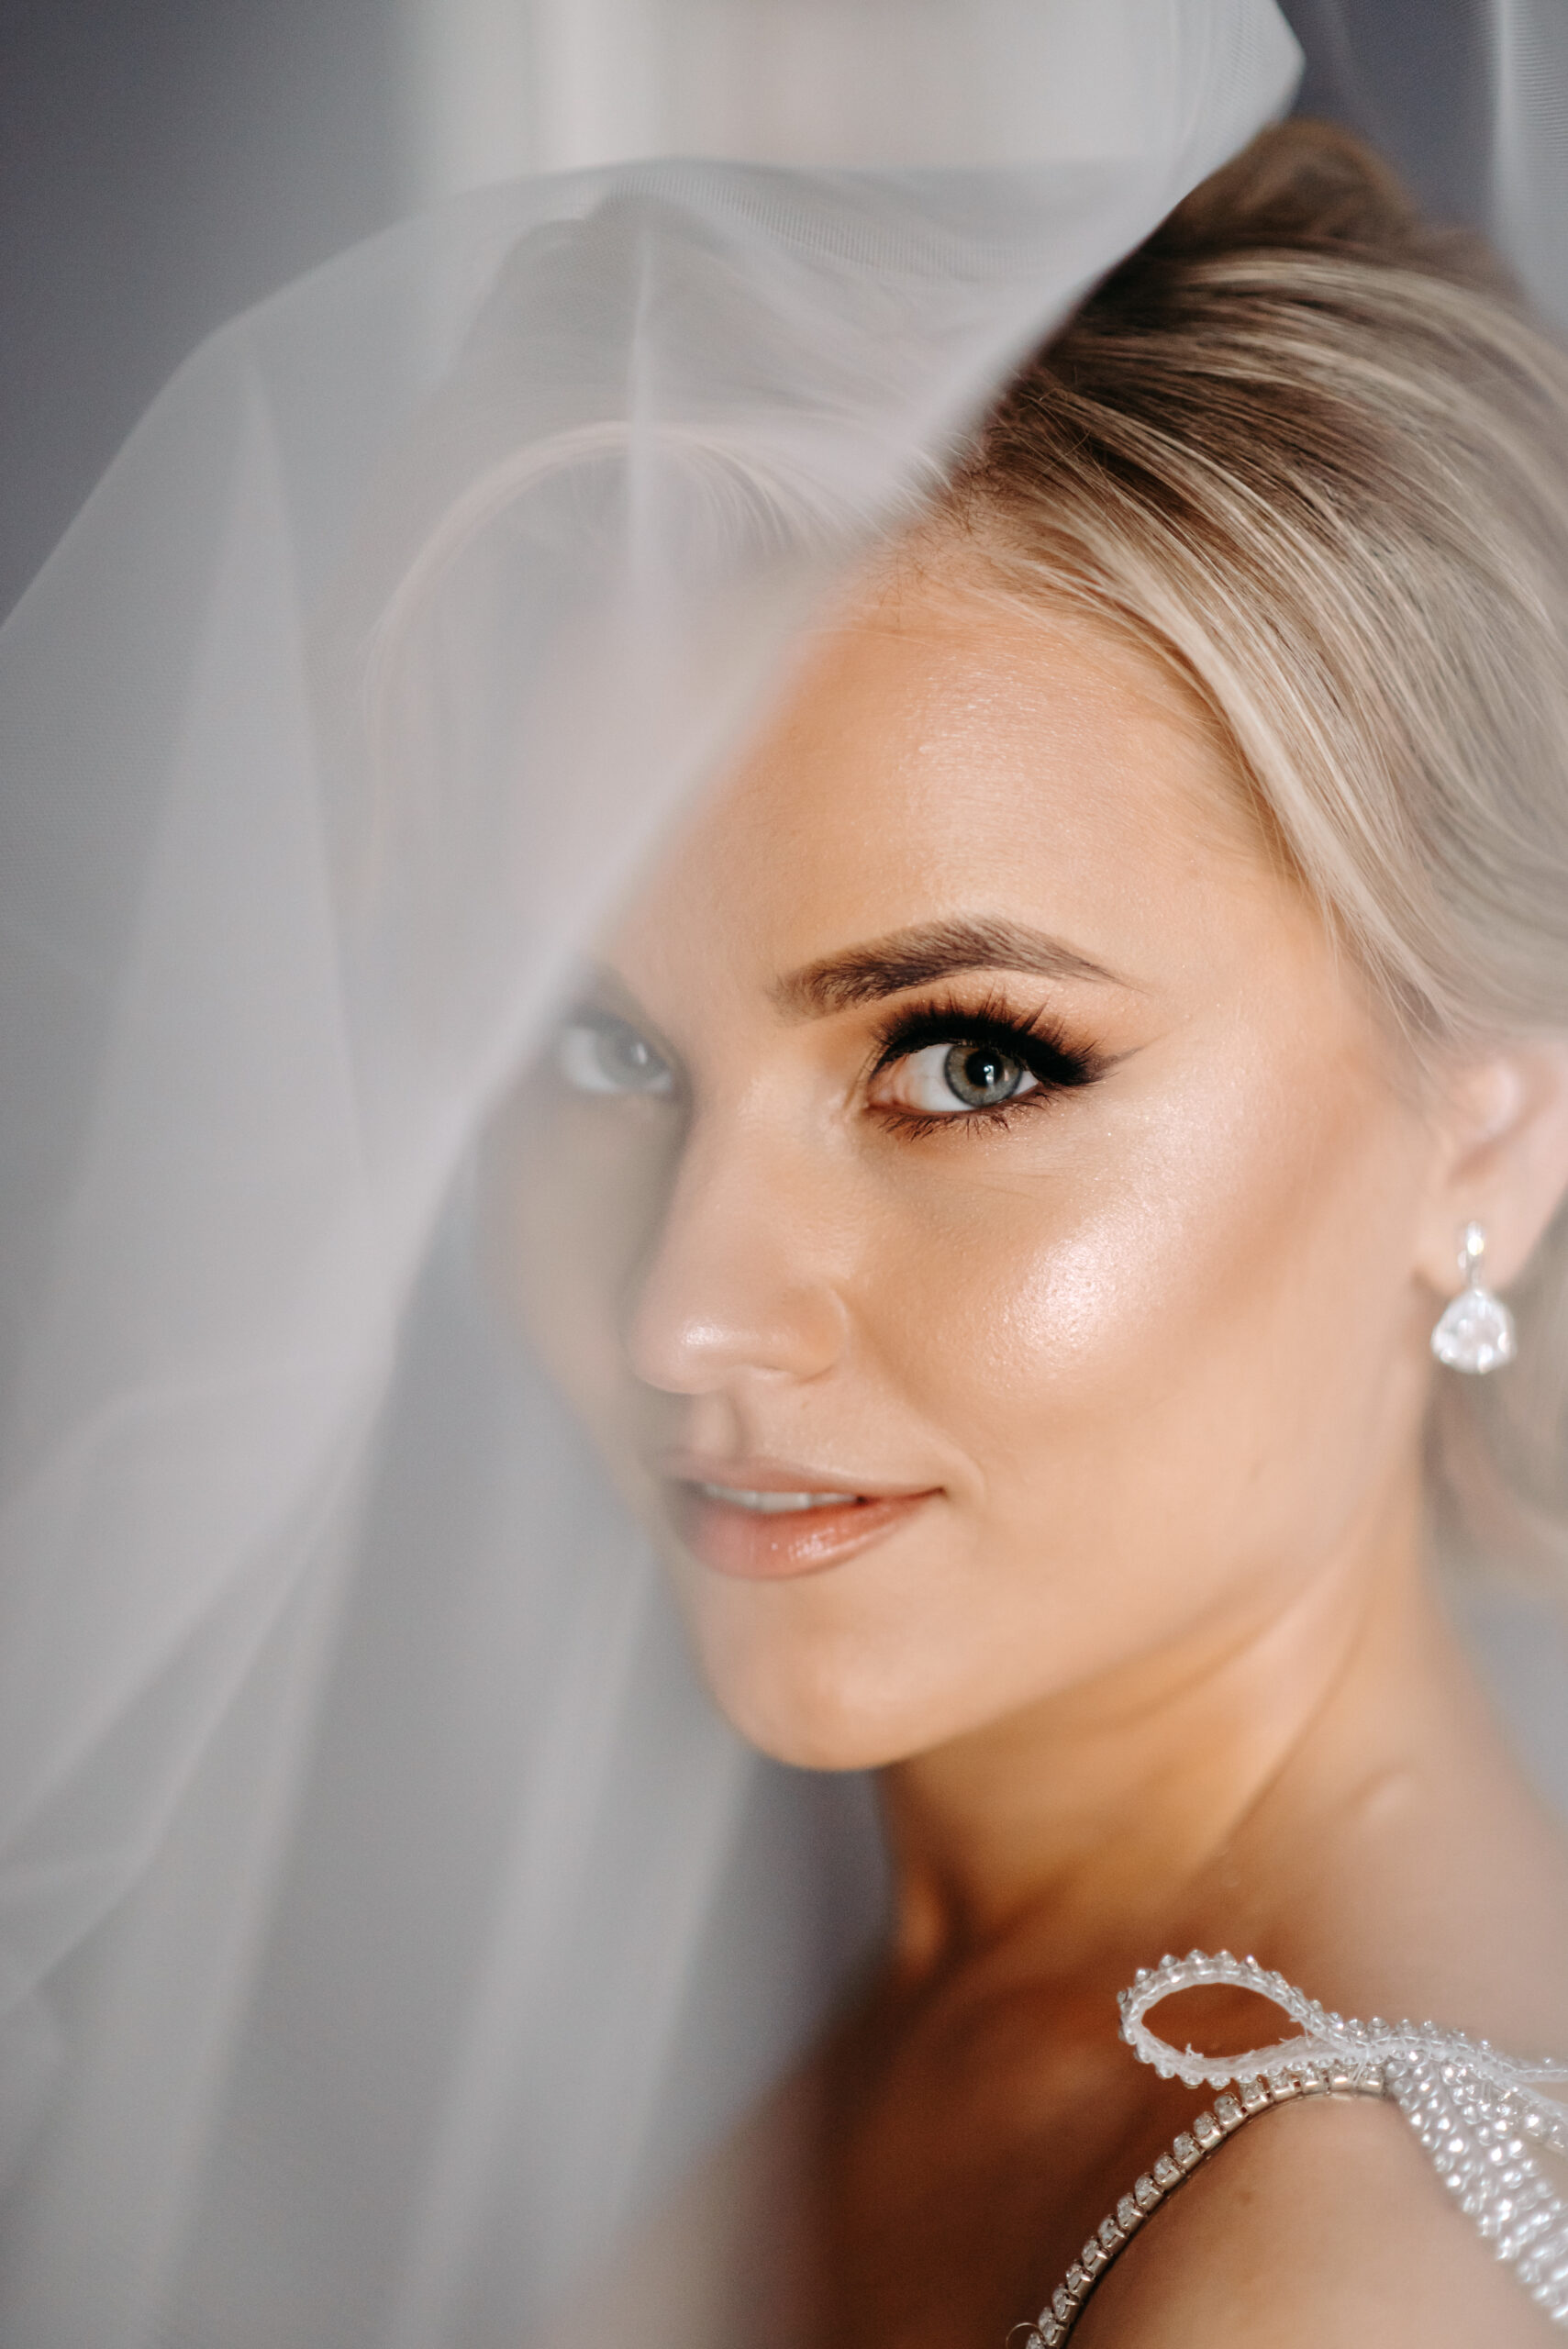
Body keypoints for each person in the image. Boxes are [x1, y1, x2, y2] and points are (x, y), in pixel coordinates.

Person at [497, 119, 1568, 2345]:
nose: (688, 1310)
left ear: (1489, 1131)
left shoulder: (1341, 2269)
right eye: (605, 1051)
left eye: (972, 1059)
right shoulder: (823, 1953)